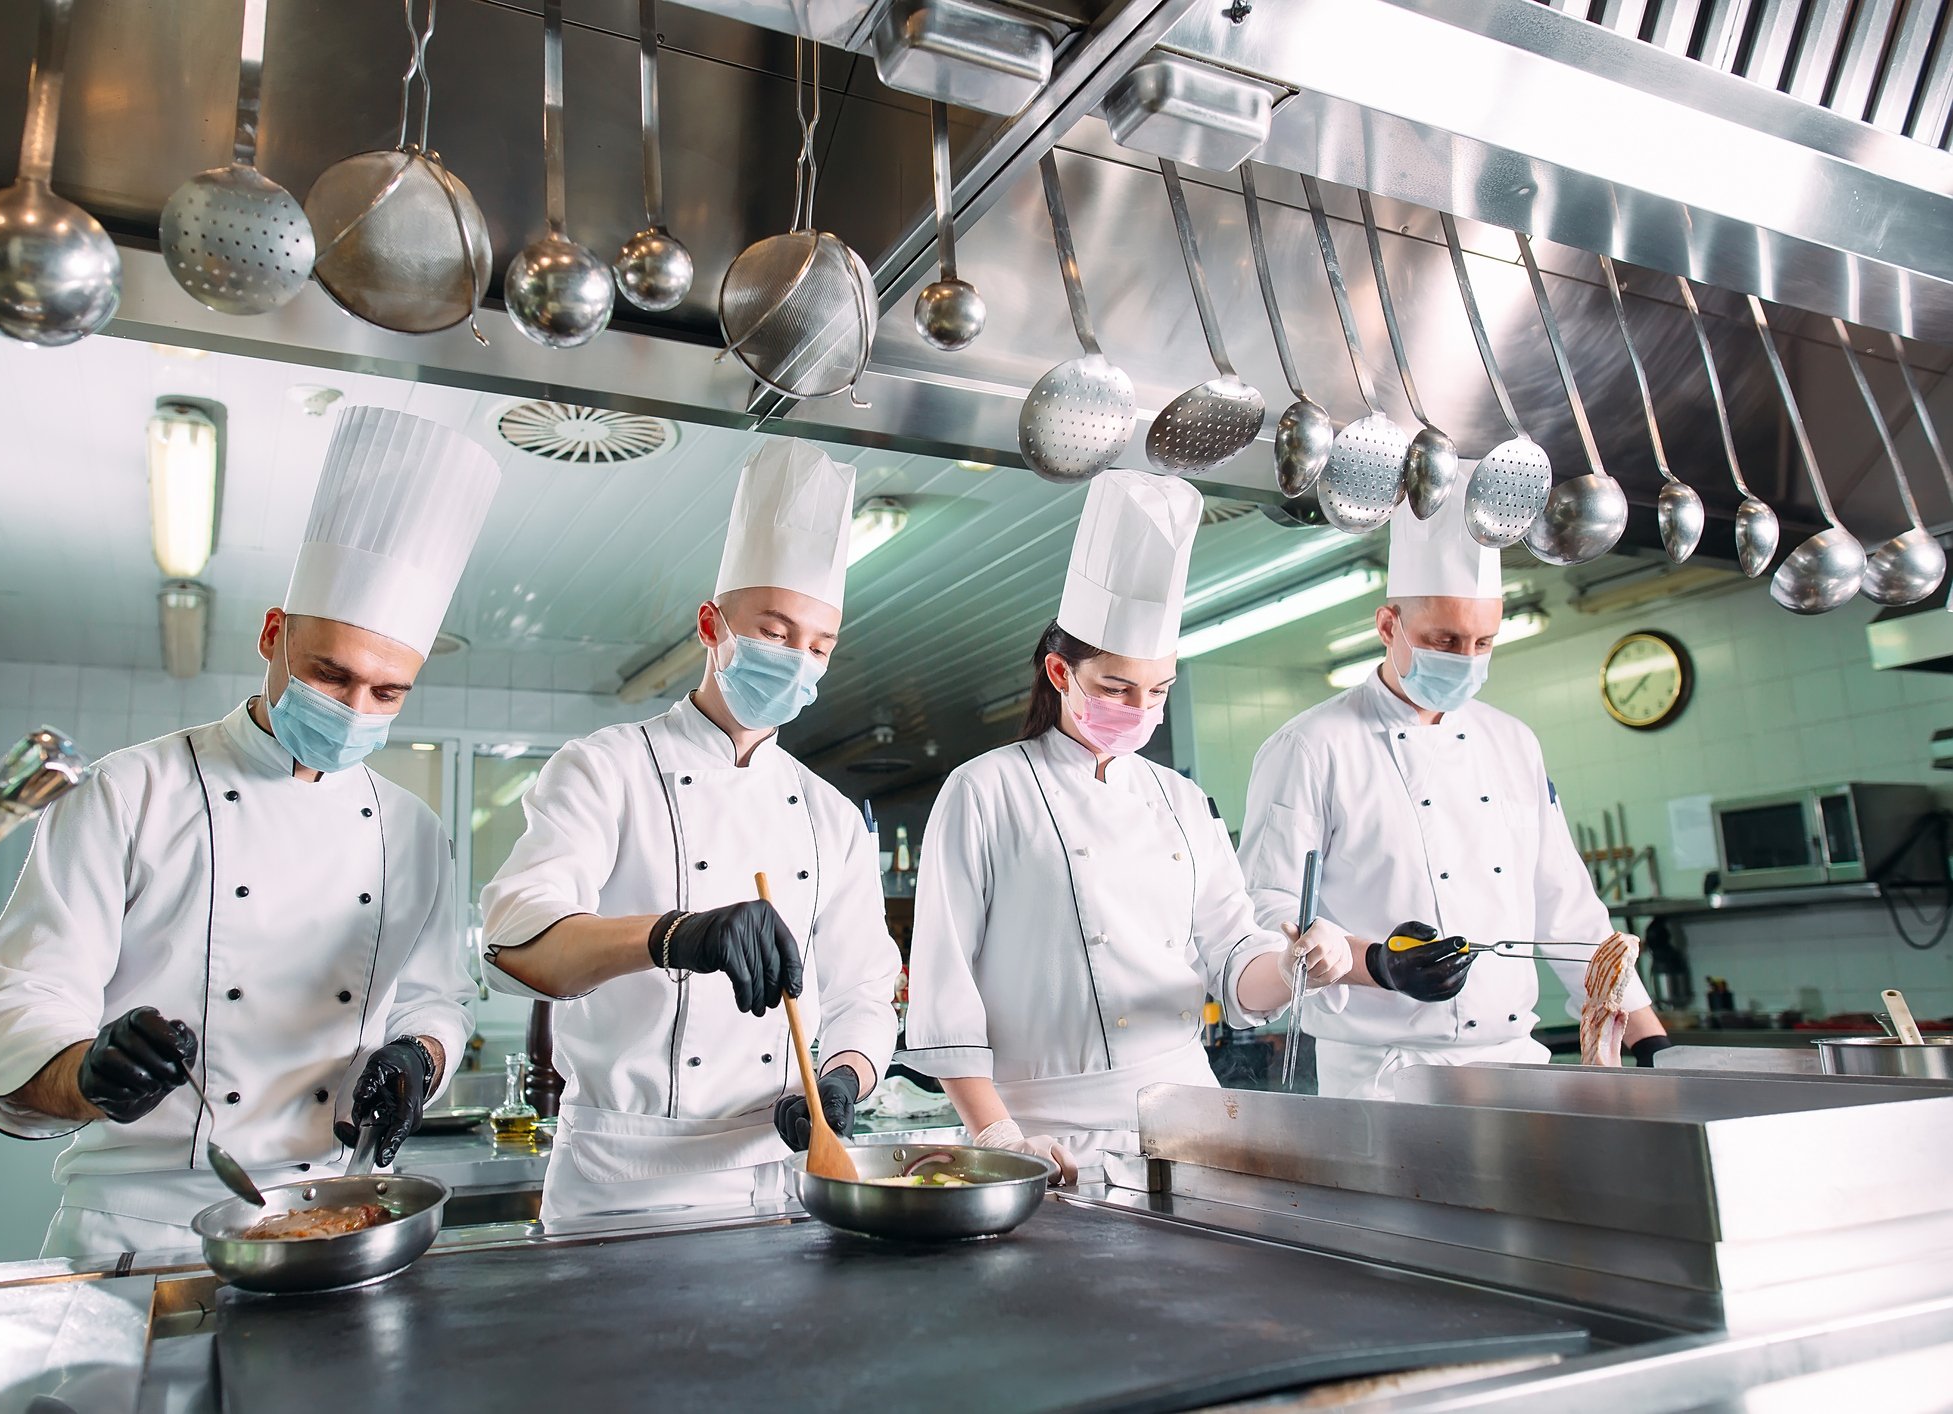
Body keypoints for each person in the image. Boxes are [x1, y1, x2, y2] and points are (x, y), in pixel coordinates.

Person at [0, 406, 500, 1256]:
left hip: (328, 1215)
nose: (355, 709)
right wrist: (88, 1070)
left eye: (387, 693)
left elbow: (436, 995)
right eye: (330, 674)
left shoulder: (410, 828)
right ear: (272, 635)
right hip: (135, 1227)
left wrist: (420, 1057)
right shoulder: (129, 791)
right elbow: (26, 1000)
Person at [481, 438, 899, 1232]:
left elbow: (863, 995)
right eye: (775, 632)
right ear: (712, 625)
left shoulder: (830, 816)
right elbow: (514, 943)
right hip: (620, 1185)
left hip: (780, 1183)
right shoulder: (605, 767)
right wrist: (675, 936)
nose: (797, 660)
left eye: (818, 646)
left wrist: (845, 1078)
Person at [899, 470, 1349, 1184]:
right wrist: (999, 1136)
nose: (1139, 710)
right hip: (1044, 1140)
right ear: (1060, 673)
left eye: (1158, 691)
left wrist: (1296, 966)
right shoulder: (985, 790)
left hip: (1192, 1124)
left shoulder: (1181, 800)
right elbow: (943, 987)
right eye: (1116, 688)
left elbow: (1235, 963)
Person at [1235, 484, 1671, 1101]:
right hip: (1384, 1077)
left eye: (1482, 643)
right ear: (1389, 625)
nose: (1465, 659)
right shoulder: (1311, 747)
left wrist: (1649, 1038)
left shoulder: (1513, 741)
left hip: (1516, 1061)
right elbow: (1267, 912)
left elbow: (1565, 903)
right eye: (1444, 641)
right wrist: (1377, 963)